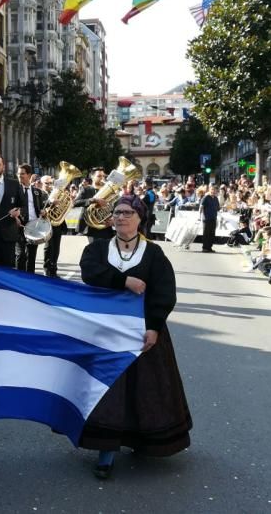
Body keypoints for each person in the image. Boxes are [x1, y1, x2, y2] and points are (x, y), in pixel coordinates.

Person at [78, 195, 191, 479]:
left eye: (127, 213)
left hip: (143, 331)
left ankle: (143, 440)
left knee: (146, 388)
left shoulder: (153, 253)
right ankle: (106, 450)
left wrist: (154, 326)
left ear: (140, 218)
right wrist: (123, 281)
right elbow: (89, 272)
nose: (120, 217)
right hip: (107, 330)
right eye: (117, 212)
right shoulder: (99, 249)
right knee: (109, 388)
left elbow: (165, 292)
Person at [15, 163, 46, 274]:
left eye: (22, 174)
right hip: (19, 226)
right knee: (20, 254)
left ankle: (30, 278)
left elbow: (40, 208)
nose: (20, 176)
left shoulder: (36, 191)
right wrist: (15, 219)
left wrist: (43, 212)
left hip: (34, 226)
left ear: (29, 175)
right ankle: (19, 279)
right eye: (18, 174)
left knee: (32, 255)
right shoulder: (14, 190)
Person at [73, 169, 115, 244]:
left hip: (106, 226)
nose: (102, 178)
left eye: (103, 176)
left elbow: (113, 207)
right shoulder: (86, 189)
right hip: (91, 227)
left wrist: (113, 219)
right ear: (92, 177)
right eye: (99, 176)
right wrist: (93, 200)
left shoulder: (109, 191)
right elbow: (75, 203)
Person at [40, 175, 68, 277]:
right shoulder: (40, 193)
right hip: (46, 223)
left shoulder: (57, 193)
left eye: (51, 183)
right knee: (48, 247)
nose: (49, 185)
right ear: (41, 183)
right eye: (47, 183)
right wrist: (50, 202)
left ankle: (54, 269)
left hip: (57, 223)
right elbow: (39, 204)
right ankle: (46, 269)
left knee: (56, 247)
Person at [199, 184, 220, 252]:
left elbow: (218, 208)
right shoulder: (206, 197)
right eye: (212, 189)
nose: (213, 191)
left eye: (215, 190)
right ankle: (204, 248)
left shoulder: (216, 199)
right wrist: (199, 216)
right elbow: (201, 207)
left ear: (216, 191)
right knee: (206, 234)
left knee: (212, 234)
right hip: (206, 218)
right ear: (209, 190)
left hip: (213, 218)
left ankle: (209, 247)